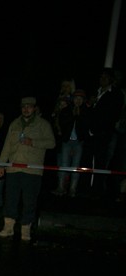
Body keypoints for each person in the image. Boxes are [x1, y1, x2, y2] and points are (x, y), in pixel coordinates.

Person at [0, 97, 55, 241]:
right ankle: (8, 227)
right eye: (24, 107)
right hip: (13, 168)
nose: (26, 109)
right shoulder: (14, 124)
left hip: (32, 170)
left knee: (29, 201)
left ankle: (25, 229)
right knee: (10, 199)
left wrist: (33, 142)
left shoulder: (43, 124)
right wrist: (1, 165)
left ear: (34, 108)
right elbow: (7, 146)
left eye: (29, 107)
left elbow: (52, 143)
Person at [88, 68, 124, 197]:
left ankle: (97, 190)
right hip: (90, 133)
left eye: (105, 77)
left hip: (104, 134)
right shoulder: (95, 92)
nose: (102, 79)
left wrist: (101, 128)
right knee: (89, 160)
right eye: (101, 77)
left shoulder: (116, 94)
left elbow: (114, 114)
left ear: (111, 79)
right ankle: (87, 187)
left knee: (102, 162)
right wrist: (91, 104)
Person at [51, 89, 90, 197]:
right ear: (73, 99)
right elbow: (62, 124)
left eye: (80, 98)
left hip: (78, 142)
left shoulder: (86, 111)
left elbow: (86, 126)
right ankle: (60, 187)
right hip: (67, 141)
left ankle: (73, 188)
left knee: (76, 166)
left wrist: (79, 116)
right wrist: (73, 116)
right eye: (76, 98)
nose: (78, 100)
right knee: (64, 164)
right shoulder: (66, 110)